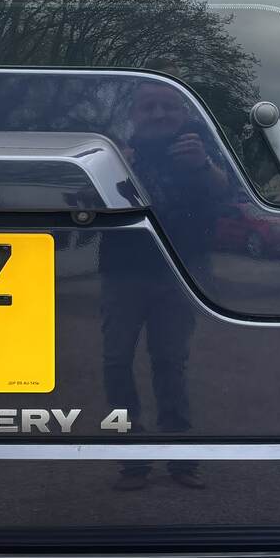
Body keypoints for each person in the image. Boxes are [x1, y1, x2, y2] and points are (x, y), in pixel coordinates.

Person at [100, 82, 230, 484]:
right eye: (148, 107)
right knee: (115, 362)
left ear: (185, 114)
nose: (158, 114)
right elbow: (85, 206)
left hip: (180, 274)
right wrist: (116, 170)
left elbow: (228, 196)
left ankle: (181, 458)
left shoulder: (200, 150)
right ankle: (132, 457)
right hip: (122, 272)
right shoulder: (114, 154)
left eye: (168, 107)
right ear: (134, 116)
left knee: (170, 363)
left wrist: (202, 165)